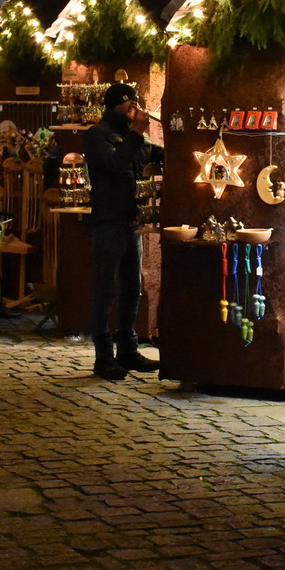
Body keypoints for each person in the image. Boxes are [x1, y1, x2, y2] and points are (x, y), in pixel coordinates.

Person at [83, 83, 163, 380]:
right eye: (131, 105)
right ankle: (103, 358)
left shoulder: (134, 138)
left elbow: (155, 154)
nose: (135, 110)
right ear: (117, 106)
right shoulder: (96, 135)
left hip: (132, 224)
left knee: (132, 289)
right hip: (109, 224)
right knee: (105, 291)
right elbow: (115, 165)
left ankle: (127, 351)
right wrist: (137, 134)